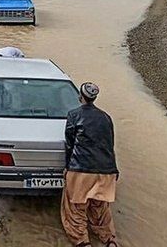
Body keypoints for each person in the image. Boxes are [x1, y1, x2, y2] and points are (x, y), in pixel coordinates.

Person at [61, 82, 119, 247]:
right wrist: (114, 169)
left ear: (80, 96)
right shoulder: (106, 117)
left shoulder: (74, 115)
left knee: (75, 209)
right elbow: (110, 145)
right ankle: (109, 241)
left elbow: (69, 144)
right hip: (106, 171)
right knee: (100, 207)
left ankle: (82, 242)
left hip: (81, 170)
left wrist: (67, 167)